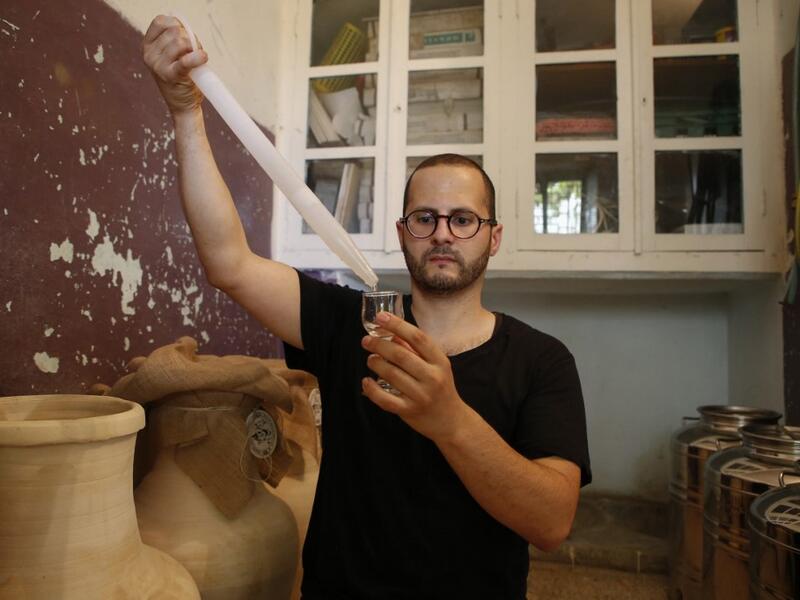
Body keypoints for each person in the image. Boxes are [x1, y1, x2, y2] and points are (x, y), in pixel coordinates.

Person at [142, 15, 591, 599]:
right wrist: (184, 111)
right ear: (404, 234)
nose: (444, 233)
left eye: (464, 219)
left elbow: (552, 522)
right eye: (425, 218)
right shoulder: (350, 322)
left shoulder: (542, 361)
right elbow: (229, 263)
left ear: (493, 236)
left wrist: (447, 418)